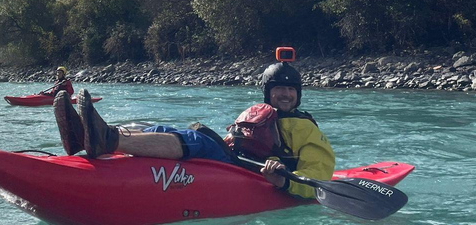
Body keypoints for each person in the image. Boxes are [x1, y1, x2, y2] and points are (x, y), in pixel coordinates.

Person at [53, 61, 335, 199]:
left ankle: (107, 139)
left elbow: (319, 177)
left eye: (290, 90)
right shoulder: (260, 113)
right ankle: (87, 137)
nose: (284, 95)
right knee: (164, 128)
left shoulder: (306, 129)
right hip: (234, 162)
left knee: (198, 141)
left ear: (297, 94)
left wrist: (284, 180)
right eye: (278, 89)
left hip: (258, 176)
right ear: (267, 93)